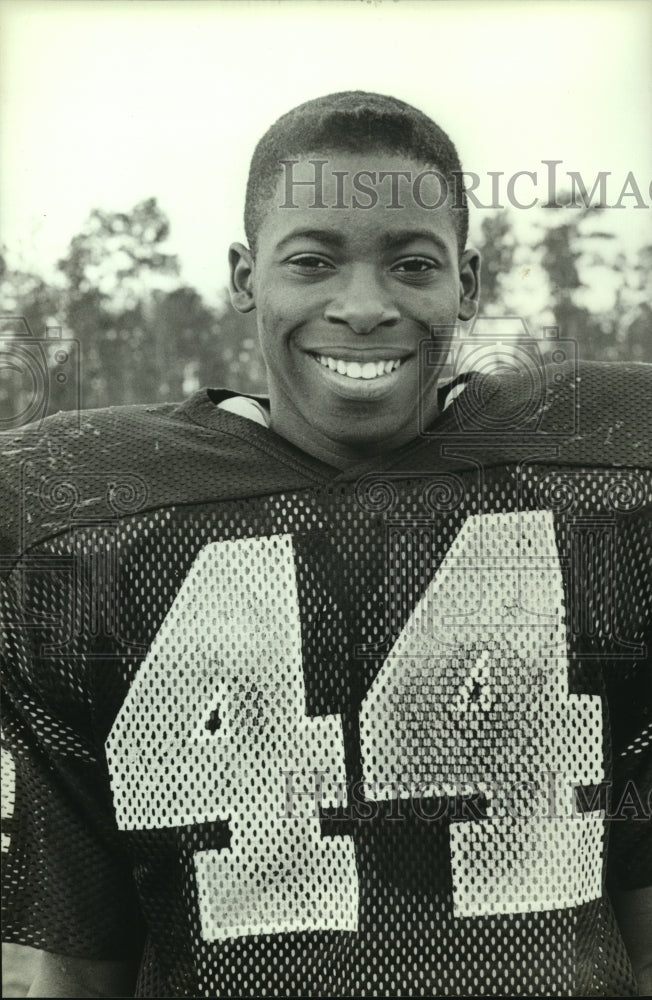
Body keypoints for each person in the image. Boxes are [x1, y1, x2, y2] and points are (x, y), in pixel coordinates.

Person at [1, 91, 650, 998]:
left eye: (411, 265)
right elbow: (83, 933)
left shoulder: (598, 488)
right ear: (243, 277)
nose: (363, 306)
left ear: (468, 282)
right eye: (312, 261)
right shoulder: (92, 520)